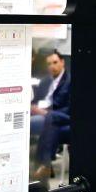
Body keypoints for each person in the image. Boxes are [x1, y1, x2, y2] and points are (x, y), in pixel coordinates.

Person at [32, 51, 71, 181]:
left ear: (62, 62)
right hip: (47, 116)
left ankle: (42, 164)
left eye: (55, 62)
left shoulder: (70, 81)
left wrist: (46, 112)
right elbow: (36, 100)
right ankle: (45, 165)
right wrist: (33, 107)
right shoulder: (45, 81)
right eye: (49, 64)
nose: (52, 66)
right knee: (50, 123)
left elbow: (69, 108)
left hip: (64, 116)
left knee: (49, 118)